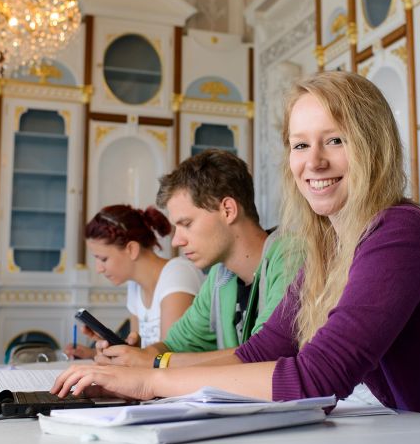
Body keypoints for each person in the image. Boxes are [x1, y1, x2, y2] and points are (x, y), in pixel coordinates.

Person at [52, 72, 420, 426]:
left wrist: (152, 381)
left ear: (373, 146)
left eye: (335, 140)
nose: (314, 161)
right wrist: (147, 373)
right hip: (416, 438)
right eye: (300, 144)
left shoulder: (399, 232)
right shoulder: (329, 246)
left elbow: (316, 378)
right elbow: (261, 351)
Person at [88, 149, 294, 369]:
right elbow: (173, 344)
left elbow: (265, 354)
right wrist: (132, 355)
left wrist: (155, 361)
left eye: (186, 224)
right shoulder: (220, 276)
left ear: (228, 210)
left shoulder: (291, 257)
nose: (176, 241)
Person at [64, 205, 204, 359]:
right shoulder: (135, 286)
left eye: (103, 259)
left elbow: (169, 358)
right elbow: (140, 351)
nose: (99, 269)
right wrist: (103, 350)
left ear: (131, 249)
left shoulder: (178, 273)